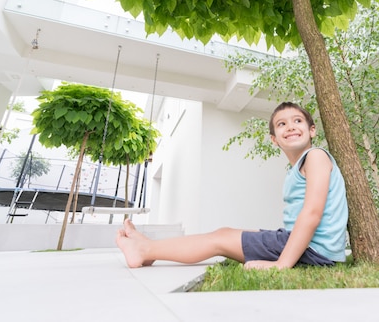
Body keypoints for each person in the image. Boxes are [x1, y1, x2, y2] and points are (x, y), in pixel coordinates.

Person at [115, 102, 348, 269]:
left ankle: (144, 250)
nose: (291, 127)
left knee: (219, 241)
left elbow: (312, 213)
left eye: (298, 121)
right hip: (303, 242)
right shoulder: (298, 166)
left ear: (312, 130)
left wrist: (282, 264)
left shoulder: (316, 156)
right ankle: (150, 250)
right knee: (223, 233)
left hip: (316, 252)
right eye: (282, 124)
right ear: (274, 139)